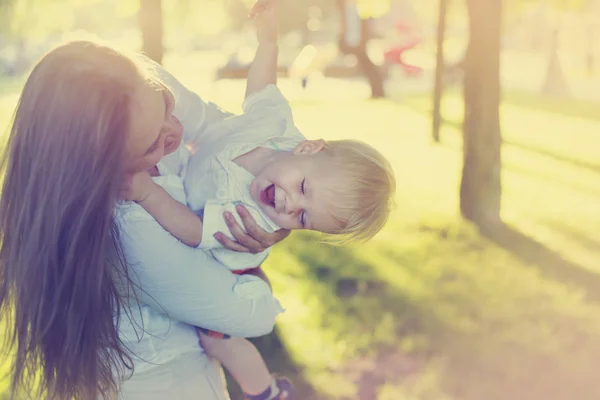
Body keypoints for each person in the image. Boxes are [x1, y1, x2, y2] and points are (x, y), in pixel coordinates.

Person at [0, 10, 292, 400]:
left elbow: (218, 128)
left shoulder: (131, 94)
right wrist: (252, 257)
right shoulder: (128, 225)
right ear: (103, 171)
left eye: (166, 102)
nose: (177, 131)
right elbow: (253, 316)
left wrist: (277, 198)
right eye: (154, 142)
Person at [126, 1, 396, 400]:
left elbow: (193, 228)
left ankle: (265, 391)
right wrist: (267, 40)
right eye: (303, 190)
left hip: (223, 268)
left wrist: (144, 191)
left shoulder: (253, 219)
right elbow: (263, 90)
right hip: (198, 190)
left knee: (219, 341)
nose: (289, 207)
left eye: (303, 219)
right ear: (307, 148)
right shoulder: (275, 126)